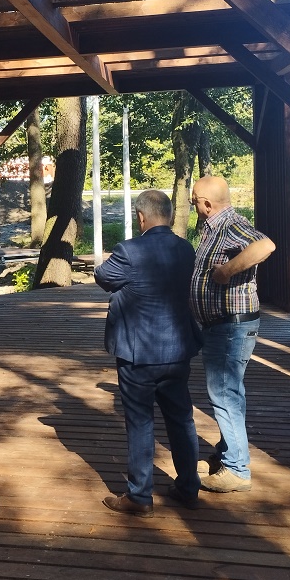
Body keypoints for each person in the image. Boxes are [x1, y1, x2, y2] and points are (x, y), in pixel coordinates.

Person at [95, 189, 202, 514]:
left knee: (140, 422)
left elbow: (103, 277)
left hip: (137, 352)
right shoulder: (185, 249)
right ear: (169, 215)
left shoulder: (129, 251)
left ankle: (140, 496)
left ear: (140, 217)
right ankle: (189, 487)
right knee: (181, 418)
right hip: (177, 349)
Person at [190, 175, 275, 493]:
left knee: (225, 395)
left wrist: (226, 271)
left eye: (194, 201)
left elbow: (265, 245)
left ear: (206, 203)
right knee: (229, 394)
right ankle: (227, 454)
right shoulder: (214, 228)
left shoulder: (230, 225)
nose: (194, 206)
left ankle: (237, 469)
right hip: (221, 326)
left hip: (230, 326)